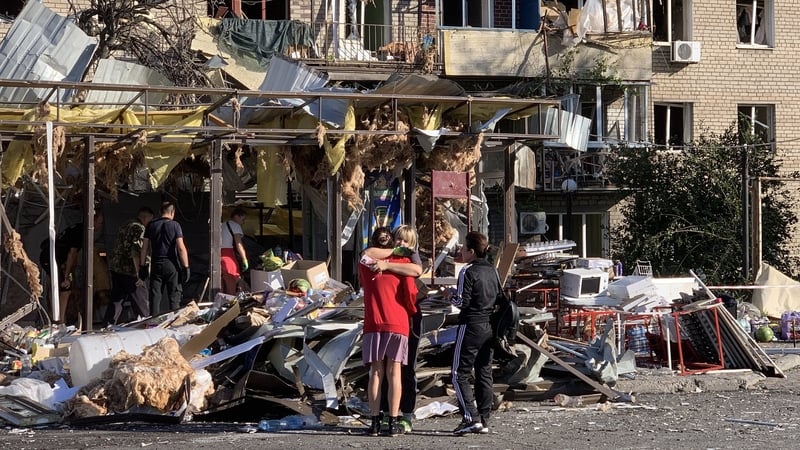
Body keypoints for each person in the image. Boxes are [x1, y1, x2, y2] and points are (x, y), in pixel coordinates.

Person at [359, 227, 420, 437]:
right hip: (398, 322)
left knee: (375, 373)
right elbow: (414, 283)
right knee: (395, 373)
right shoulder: (403, 264)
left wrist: (386, 260)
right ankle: (394, 422)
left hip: (373, 322)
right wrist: (399, 255)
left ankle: (375, 423)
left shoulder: (367, 263)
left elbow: (366, 253)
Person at [449, 231, 499, 435]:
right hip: (489, 326)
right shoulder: (493, 271)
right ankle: (484, 418)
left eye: (463, 248)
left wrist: (449, 295)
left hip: (470, 325)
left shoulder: (467, 271)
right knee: (484, 372)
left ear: (471, 251)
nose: (460, 251)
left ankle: (471, 416)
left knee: (458, 373)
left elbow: (462, 302)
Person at [105, 206, 154, 325]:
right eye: (150, 220)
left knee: (117, 299)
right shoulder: (139, 228)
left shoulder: (126, 224)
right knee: (141, 300)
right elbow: (135, 252)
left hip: (116, 268)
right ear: (145, 217)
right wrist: (139, 275)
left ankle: (108, 324)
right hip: (130, 270)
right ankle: (147, 324)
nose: (151, 223)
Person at [140, 201, 190, 316]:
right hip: (171, 263)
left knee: (155, 296)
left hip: (156, 263)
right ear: (172, 212)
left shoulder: (151, 225)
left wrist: (142, 266)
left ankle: (153, 324)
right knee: (174, 296)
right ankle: (174, 322)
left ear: (160, 212)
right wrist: (186, 267)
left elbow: (144, 248)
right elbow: (181, 248)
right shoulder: (175, 225)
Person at [221, 207, 249, 295]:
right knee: (232, 280)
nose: (243, 222)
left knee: (221, 283)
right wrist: (244, 258)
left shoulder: (222, 225)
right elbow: (239, 244)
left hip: (217, 255)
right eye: (243, 219)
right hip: (227, 256)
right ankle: (232, 304)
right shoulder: (235, 225)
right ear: (236, 216)